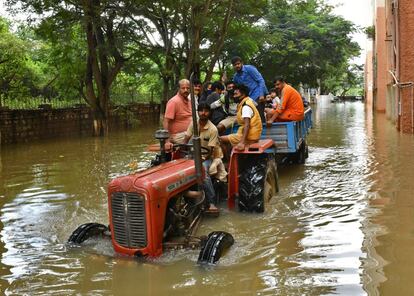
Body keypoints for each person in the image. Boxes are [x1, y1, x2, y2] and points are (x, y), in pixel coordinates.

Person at [183, 103, 224, 213]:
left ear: (209, 113)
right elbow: (186, 139)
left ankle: (211, 202)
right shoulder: (193, 124)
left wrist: (202, 159)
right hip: (192, 155)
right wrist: (182, 152)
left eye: (206, 111)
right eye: (201, 110)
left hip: (207, 157)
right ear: (198, 112)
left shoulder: (213, 129)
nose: (203, 113)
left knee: (203, 172)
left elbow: (210, 151)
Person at [220, 84, 262, 151]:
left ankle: (228, 161)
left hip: (250, 137)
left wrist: (242, 142)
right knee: (228, 141)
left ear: (243, 94)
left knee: (220, 139)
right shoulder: (246, 102)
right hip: (250, 135)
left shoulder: (245, 106)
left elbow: (247, 125)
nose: (234, 95)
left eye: (236, 93)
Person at [231, 56, 268, 122]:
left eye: (238, 63)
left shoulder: (249, 69)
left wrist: (262, 94)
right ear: (233, 66)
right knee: (251, 116)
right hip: (249, 98)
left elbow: (261, 80)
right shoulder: (235, 77)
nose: (237, 66)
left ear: (242, 63)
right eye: (235, 65)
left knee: (259, 115)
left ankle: (263, 131)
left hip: (258, 93)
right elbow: (233, 87)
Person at [163, 79, 192, 144]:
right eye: (183, 88)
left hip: (189, 133)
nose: (186, 90)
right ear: (179, 89)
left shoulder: (190, 101)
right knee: (196, 139)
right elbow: (166, 121)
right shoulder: (174, 102)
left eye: (188, 88)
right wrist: (167, 141)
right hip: (178, 136)